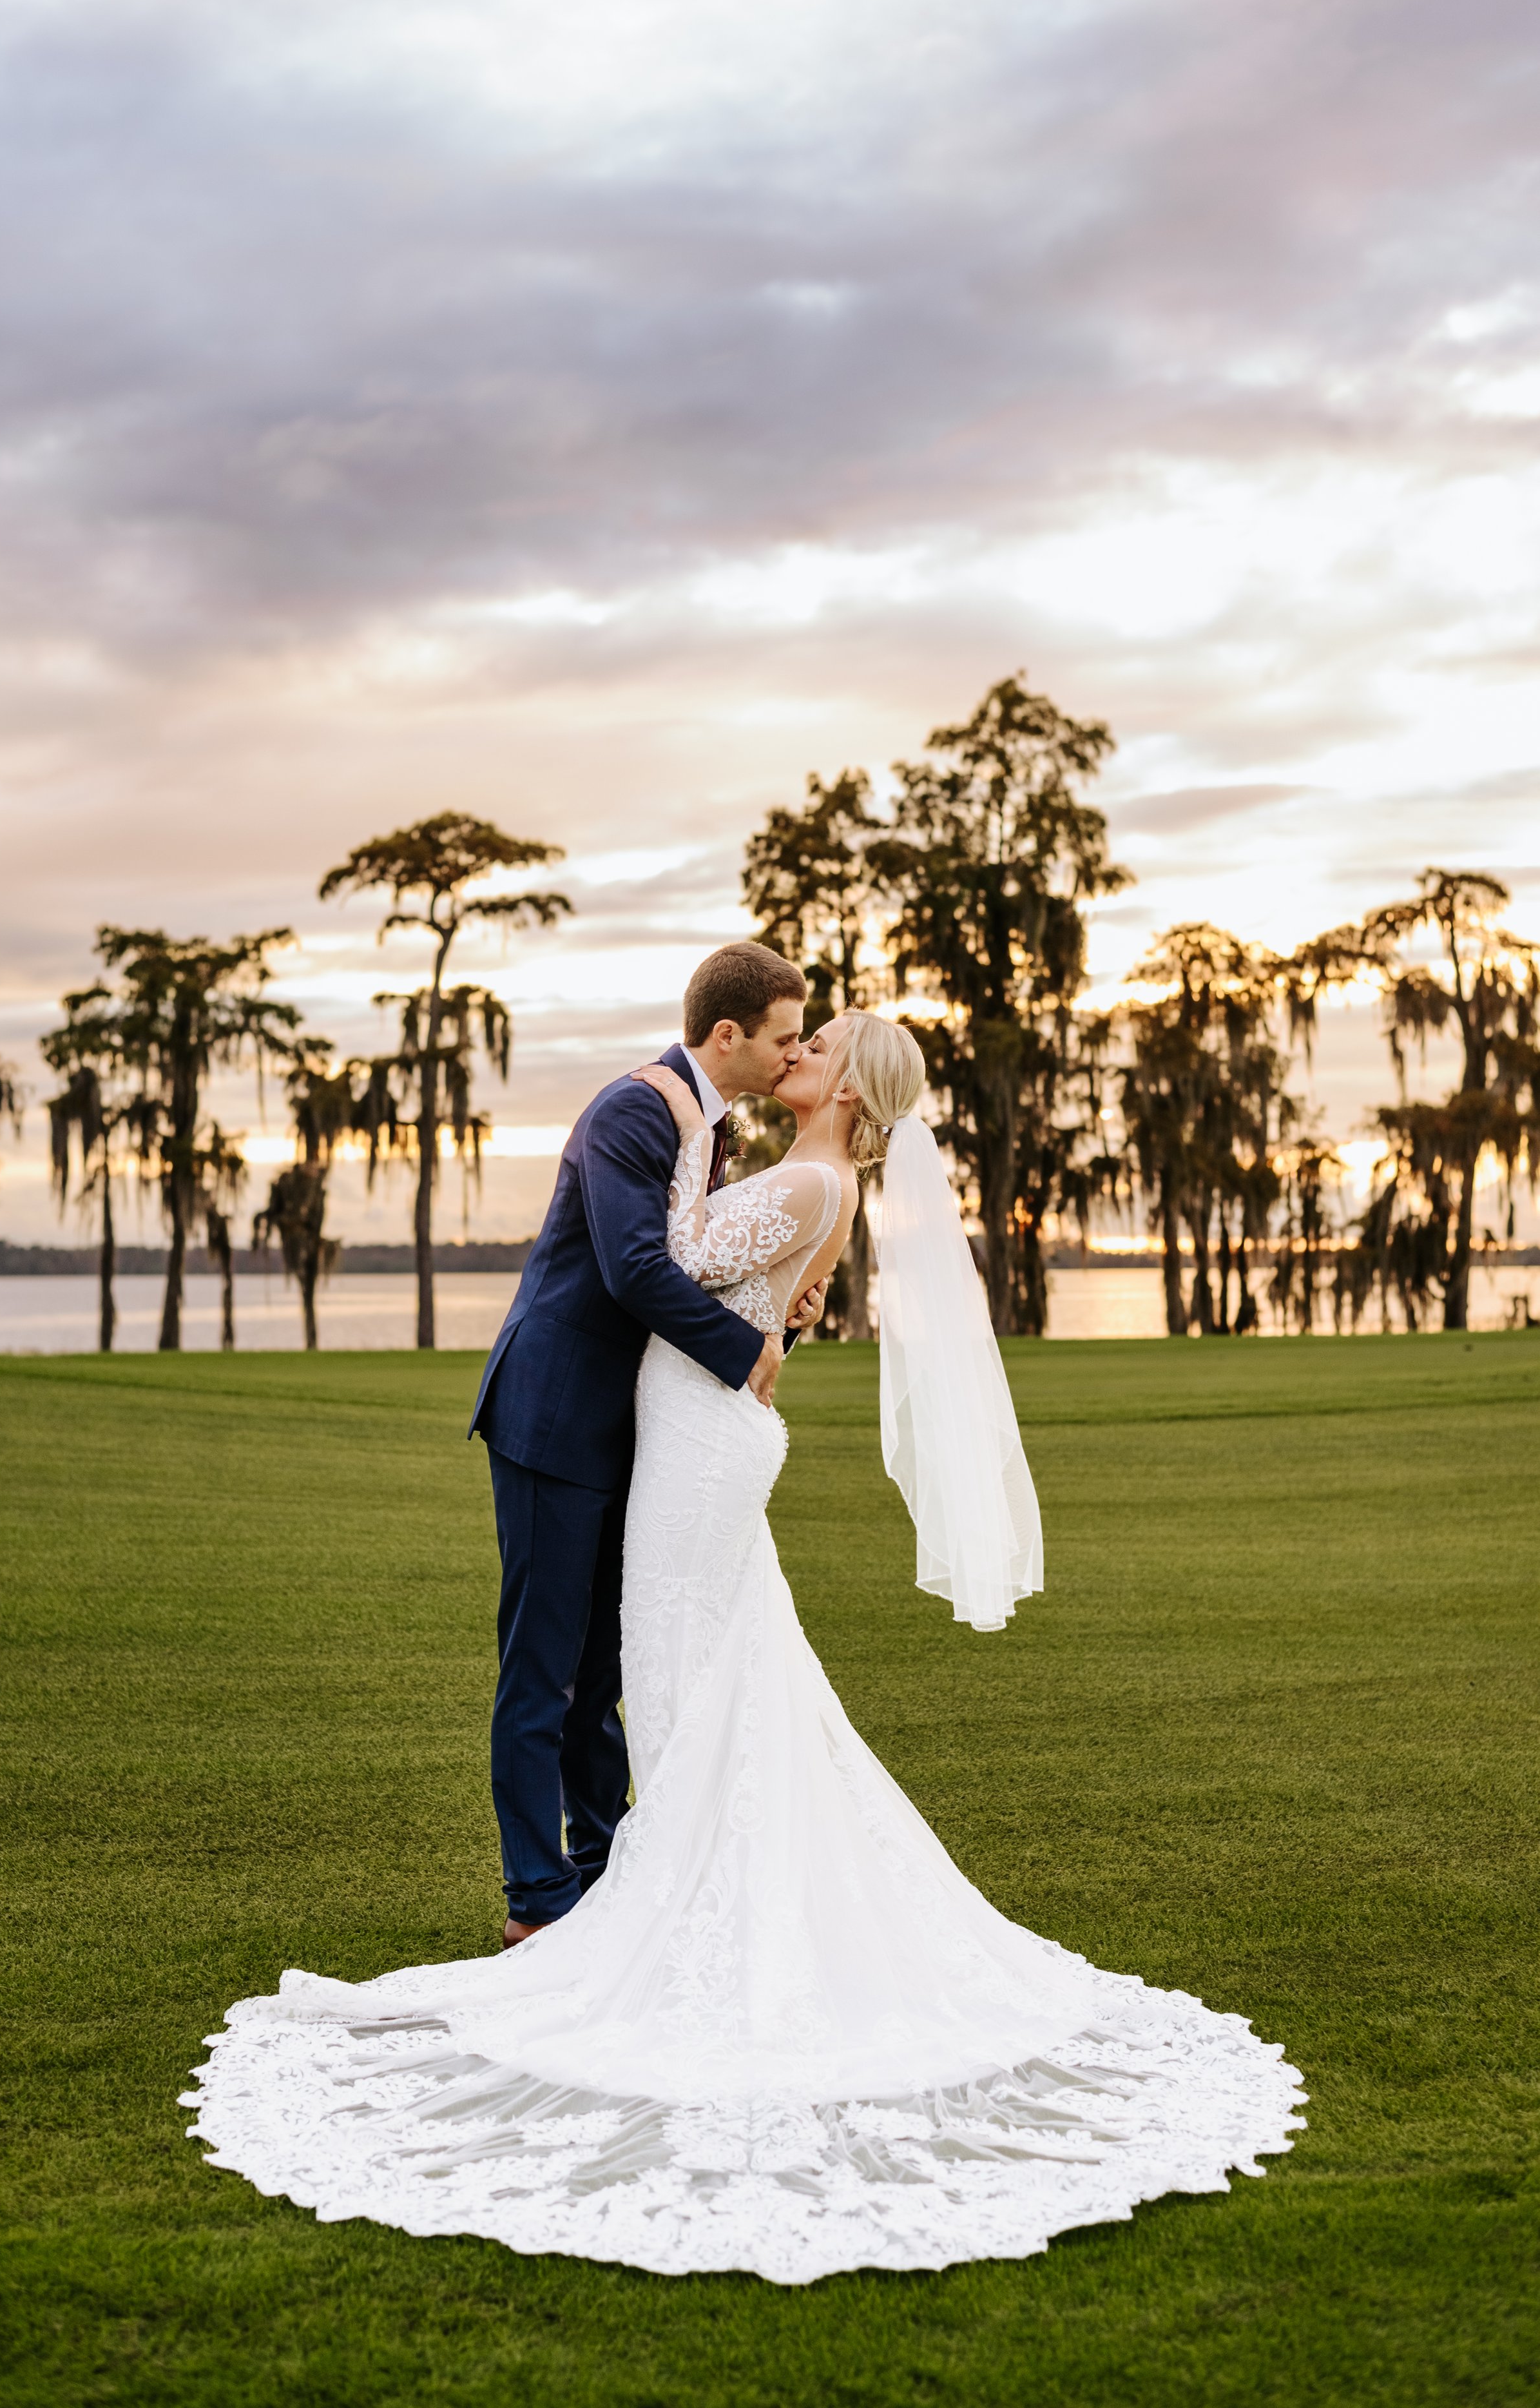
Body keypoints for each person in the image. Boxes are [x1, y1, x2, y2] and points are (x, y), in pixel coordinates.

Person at [186, 1011, 1304, 2284]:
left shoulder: (810, 1175)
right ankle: (664, 1898)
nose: (794, 1060)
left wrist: (690, 1168)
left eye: (813, 1048)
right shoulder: (801, 1177)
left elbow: (660, 1254)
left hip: (704, 1451)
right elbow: (713, 1266)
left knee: (676, 1681)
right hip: (689, 1435)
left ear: (851, 1086)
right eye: (789, 1039)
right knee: (694, 1684)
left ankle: (681, 1924)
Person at [467, 940, 823, 1943]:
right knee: (544, 1669)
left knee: (601, 1667)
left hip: (625, 1426)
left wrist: (781, 1319)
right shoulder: (636, 1109)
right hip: (554, 1414)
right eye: (784, 1038)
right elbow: (629, 1269)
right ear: (727, 1035)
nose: (793, 1056)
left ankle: (602, 1875)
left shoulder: (710, 1130)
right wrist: (745, 1353)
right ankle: (537, 1906)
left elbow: (696, 1268)